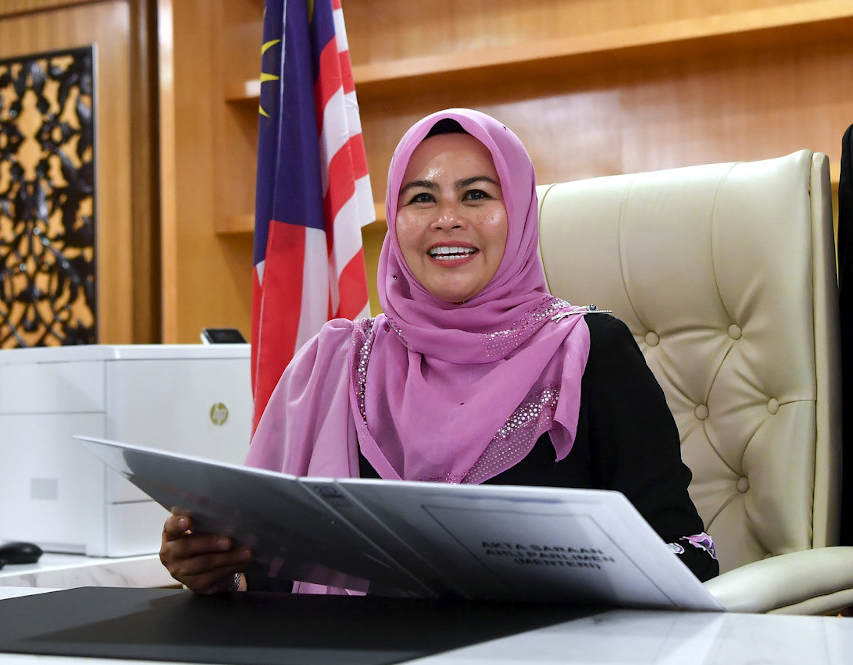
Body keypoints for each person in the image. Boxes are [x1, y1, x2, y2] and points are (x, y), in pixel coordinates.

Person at [160, 108, 719, 595]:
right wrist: (219, 571)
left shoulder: (589, 351)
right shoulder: (340, 363)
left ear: (519, 213)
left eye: (476, 194)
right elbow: (280, 572)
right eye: (422, 197)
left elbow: (690, 556)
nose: (447, 218)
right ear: (395, 221)